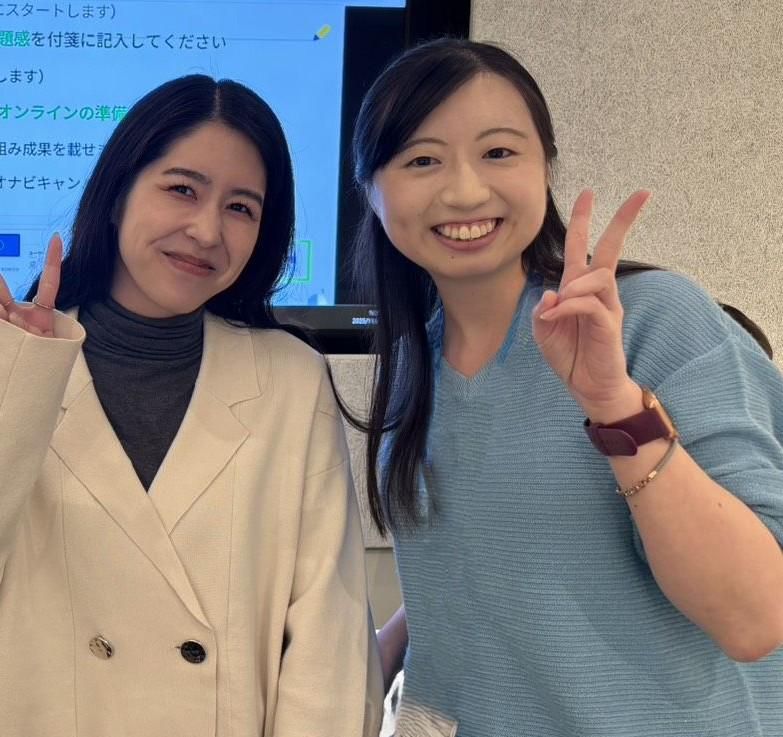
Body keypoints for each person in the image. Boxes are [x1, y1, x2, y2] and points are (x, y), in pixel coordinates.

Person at [351, 38, 783, 736]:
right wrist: (374, 657)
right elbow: (489, 555)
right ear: (371, 191)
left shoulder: (654, 318)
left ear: (545, 167)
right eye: (421, 160)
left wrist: (613, 405)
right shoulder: (412, 362)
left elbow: (754, 618)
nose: (464, 191)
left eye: (498, 152)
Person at [0, 75, 382, 737]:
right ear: (117, 193)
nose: (207, 230)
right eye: (182, 189)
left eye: (240, 207)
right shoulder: (23, 363)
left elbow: (329, 642)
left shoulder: (290, 379)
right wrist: (21, 378)